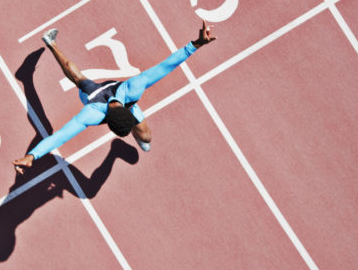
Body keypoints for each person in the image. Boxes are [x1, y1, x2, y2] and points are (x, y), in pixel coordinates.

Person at [12, 21, 216, 174]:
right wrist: (33, 156)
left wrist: (196, 44)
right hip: (94, 97)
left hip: (112, 98)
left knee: (144, 138)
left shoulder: (132, 90)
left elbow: (165, 67)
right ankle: (51, 43)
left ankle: (33, 67)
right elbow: (60, 136)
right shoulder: (93, 113)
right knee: (78, 78)